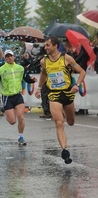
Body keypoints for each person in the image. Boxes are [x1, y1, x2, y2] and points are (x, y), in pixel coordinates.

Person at [35, 36, 86, 164]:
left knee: (71, 122)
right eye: (45, 45)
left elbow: (82, 72)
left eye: (47, 45)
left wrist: (77, 85)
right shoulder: (44, 61)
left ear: (55, 46)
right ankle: (64, 150)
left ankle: (66, 112)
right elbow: (44, 74)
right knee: (59, 123)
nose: (45, 47)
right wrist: (39, 88)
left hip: (68, 93)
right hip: (54, 94)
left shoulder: (66, 58)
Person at [0, 50, 37, 145]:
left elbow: (27, 78)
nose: (9, 58)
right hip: (7, 97)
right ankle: (6, 112)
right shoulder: (1, 70)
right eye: (7, 56)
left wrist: (32, 80)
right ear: (5, 58)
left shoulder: (20, 68)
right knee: (12, 121)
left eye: (11, 56)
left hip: (17, 95)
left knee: (21, 117)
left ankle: (21, 136)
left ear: (14, 57)